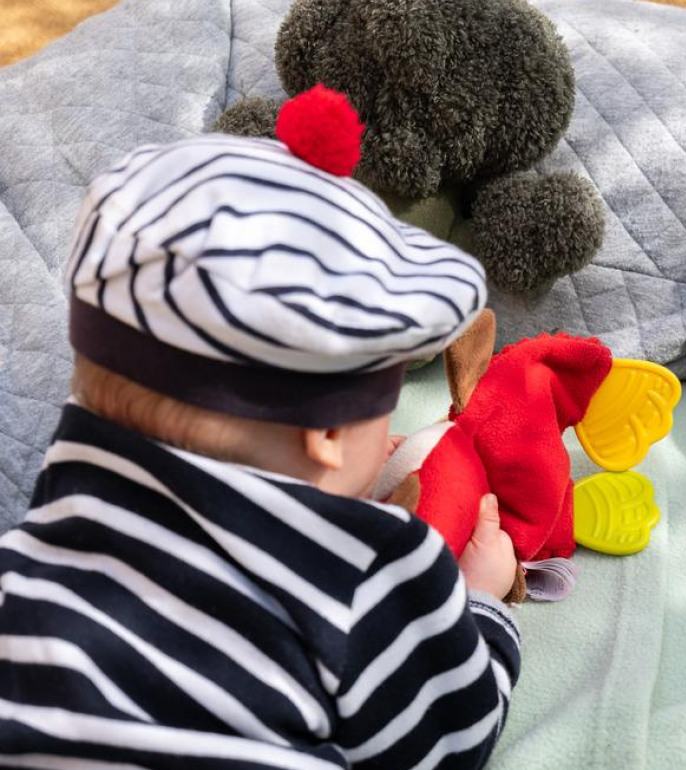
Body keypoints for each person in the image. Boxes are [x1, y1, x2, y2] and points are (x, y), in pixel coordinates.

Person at [0, 86, 521, 769]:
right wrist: (482, 606)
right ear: (329, 436)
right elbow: (451, 738)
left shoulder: (42, 535)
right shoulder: (374, 567)